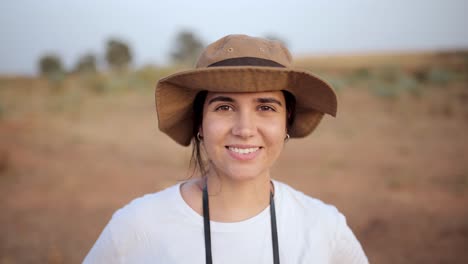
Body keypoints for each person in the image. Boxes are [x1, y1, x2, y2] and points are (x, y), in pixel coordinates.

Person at [83, 34, 368, 264]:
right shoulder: (137, 227)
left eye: (266, 107)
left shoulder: (324, 229)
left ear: (286, 124)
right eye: (224, 106)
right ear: (200, 123)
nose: (244, 129)